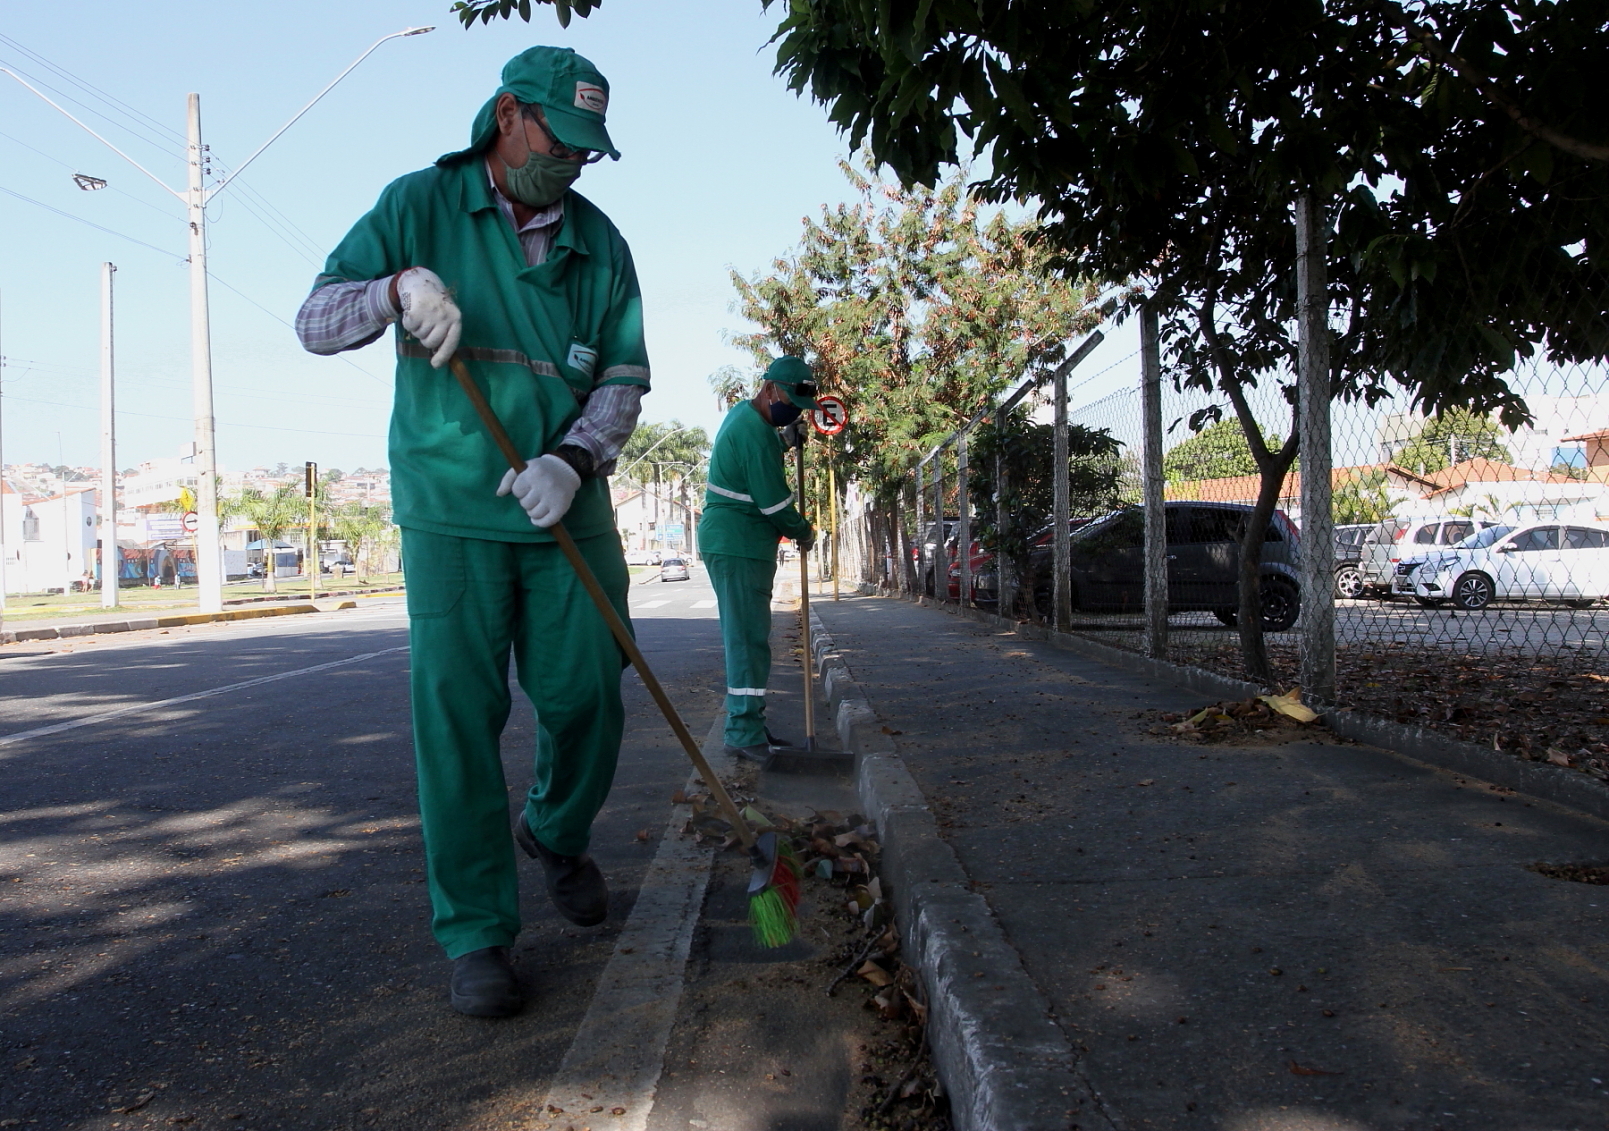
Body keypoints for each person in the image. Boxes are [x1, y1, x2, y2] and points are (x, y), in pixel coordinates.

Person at [295, 46, 649, 1018]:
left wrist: (569, 463)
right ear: (507, 115)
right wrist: (395, 290)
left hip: (564, 503)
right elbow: (314, 321)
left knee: (590, 694)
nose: (572, 163)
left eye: (588, 149)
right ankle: (478, 932)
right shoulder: (417, 203)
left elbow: (621, 377)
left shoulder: (601, 245)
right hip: (452, 510)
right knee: (455, 721)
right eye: (559, 140)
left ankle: (557, 829)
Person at [699, 357, 818, 762]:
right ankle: (743, 731)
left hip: (737, 543)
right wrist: (805, 530)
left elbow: (749, 468)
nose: (795, 411)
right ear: (769, 389)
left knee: (748, 639)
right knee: (747, 641)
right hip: (739, 545)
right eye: (792, 401)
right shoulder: (755, 434)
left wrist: (784, 440)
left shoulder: (747, 420)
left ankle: (748, 724)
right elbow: (774, 503)